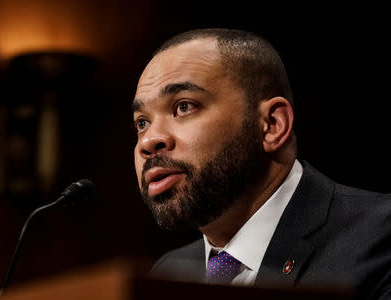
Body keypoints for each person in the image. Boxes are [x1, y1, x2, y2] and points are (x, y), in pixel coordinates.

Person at [132, 28, 391, 299]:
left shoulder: (380, 235)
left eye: (184, 106)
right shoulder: (167, 273)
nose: (149, 140)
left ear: (272, 125)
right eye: (141, 123)